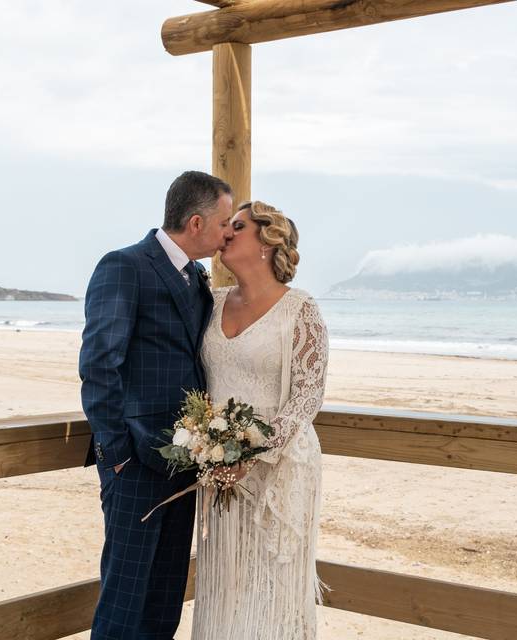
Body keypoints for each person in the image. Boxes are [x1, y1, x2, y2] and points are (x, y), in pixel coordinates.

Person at [79, 170, 234, 640]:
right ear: (195, 222)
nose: (229, 232)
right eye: (225, 222)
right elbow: (100, 365)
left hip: (185, 461)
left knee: (165, 599)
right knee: (124, 601)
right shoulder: (124, 266)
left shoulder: (197, 277)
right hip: (134, 465)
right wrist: (116, 454)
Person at [191, 201, 329, 640]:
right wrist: (208, 447)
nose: (225, 234)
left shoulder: (300, 310)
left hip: (280, 470)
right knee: (224, 582)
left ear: (268, 242)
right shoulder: (210, 304)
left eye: (238, 227)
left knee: (273, 587)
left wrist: (255, 453)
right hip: (218, 468)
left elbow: (308, 394)